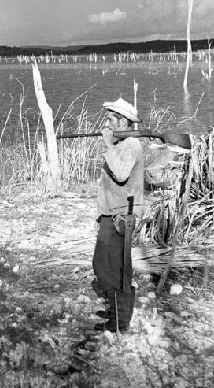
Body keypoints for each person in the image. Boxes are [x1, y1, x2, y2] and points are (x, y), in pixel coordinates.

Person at [92, 97, 145, 332]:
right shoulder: (122, 145)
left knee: (116, 270)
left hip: (121, 217)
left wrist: (108, 145)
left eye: (110, 119)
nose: (107, 124)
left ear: (123, 121)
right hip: (110, 216)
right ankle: (116, 311)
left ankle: (120, 321)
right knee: (104, 266)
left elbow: (122, 174)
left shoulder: (131, 145)